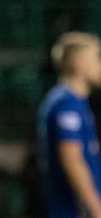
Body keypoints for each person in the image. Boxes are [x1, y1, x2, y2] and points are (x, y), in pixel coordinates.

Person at [36, 31, 101, 218]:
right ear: (78, 64)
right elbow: (71, 157)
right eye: (97, 58)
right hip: (70, 211)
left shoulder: (76, 102)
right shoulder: (65, 103)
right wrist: (94, 206)